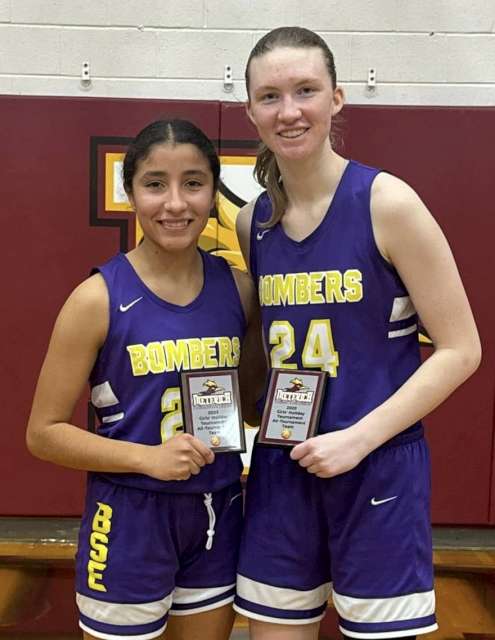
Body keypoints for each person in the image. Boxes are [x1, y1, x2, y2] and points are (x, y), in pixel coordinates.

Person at [233, 26, 481, 640]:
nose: (289, 111)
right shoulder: (251, 221)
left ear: (337, 98)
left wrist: (357, 439)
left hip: (376, 465)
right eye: (270, 97)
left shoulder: (388, 203)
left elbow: (461, 350)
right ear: (251, 111)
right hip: (283, 466)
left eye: (306, 90)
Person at [26, 119, 263, 640]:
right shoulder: (96, 299)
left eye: (193, 183)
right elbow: (42, 434)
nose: (175, 203)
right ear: (130, 192)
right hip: (129, 515)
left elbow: (250, 407)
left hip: (219, 508)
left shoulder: (240, 291)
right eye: (155, 184)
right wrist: (147, 459)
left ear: (213, 193)